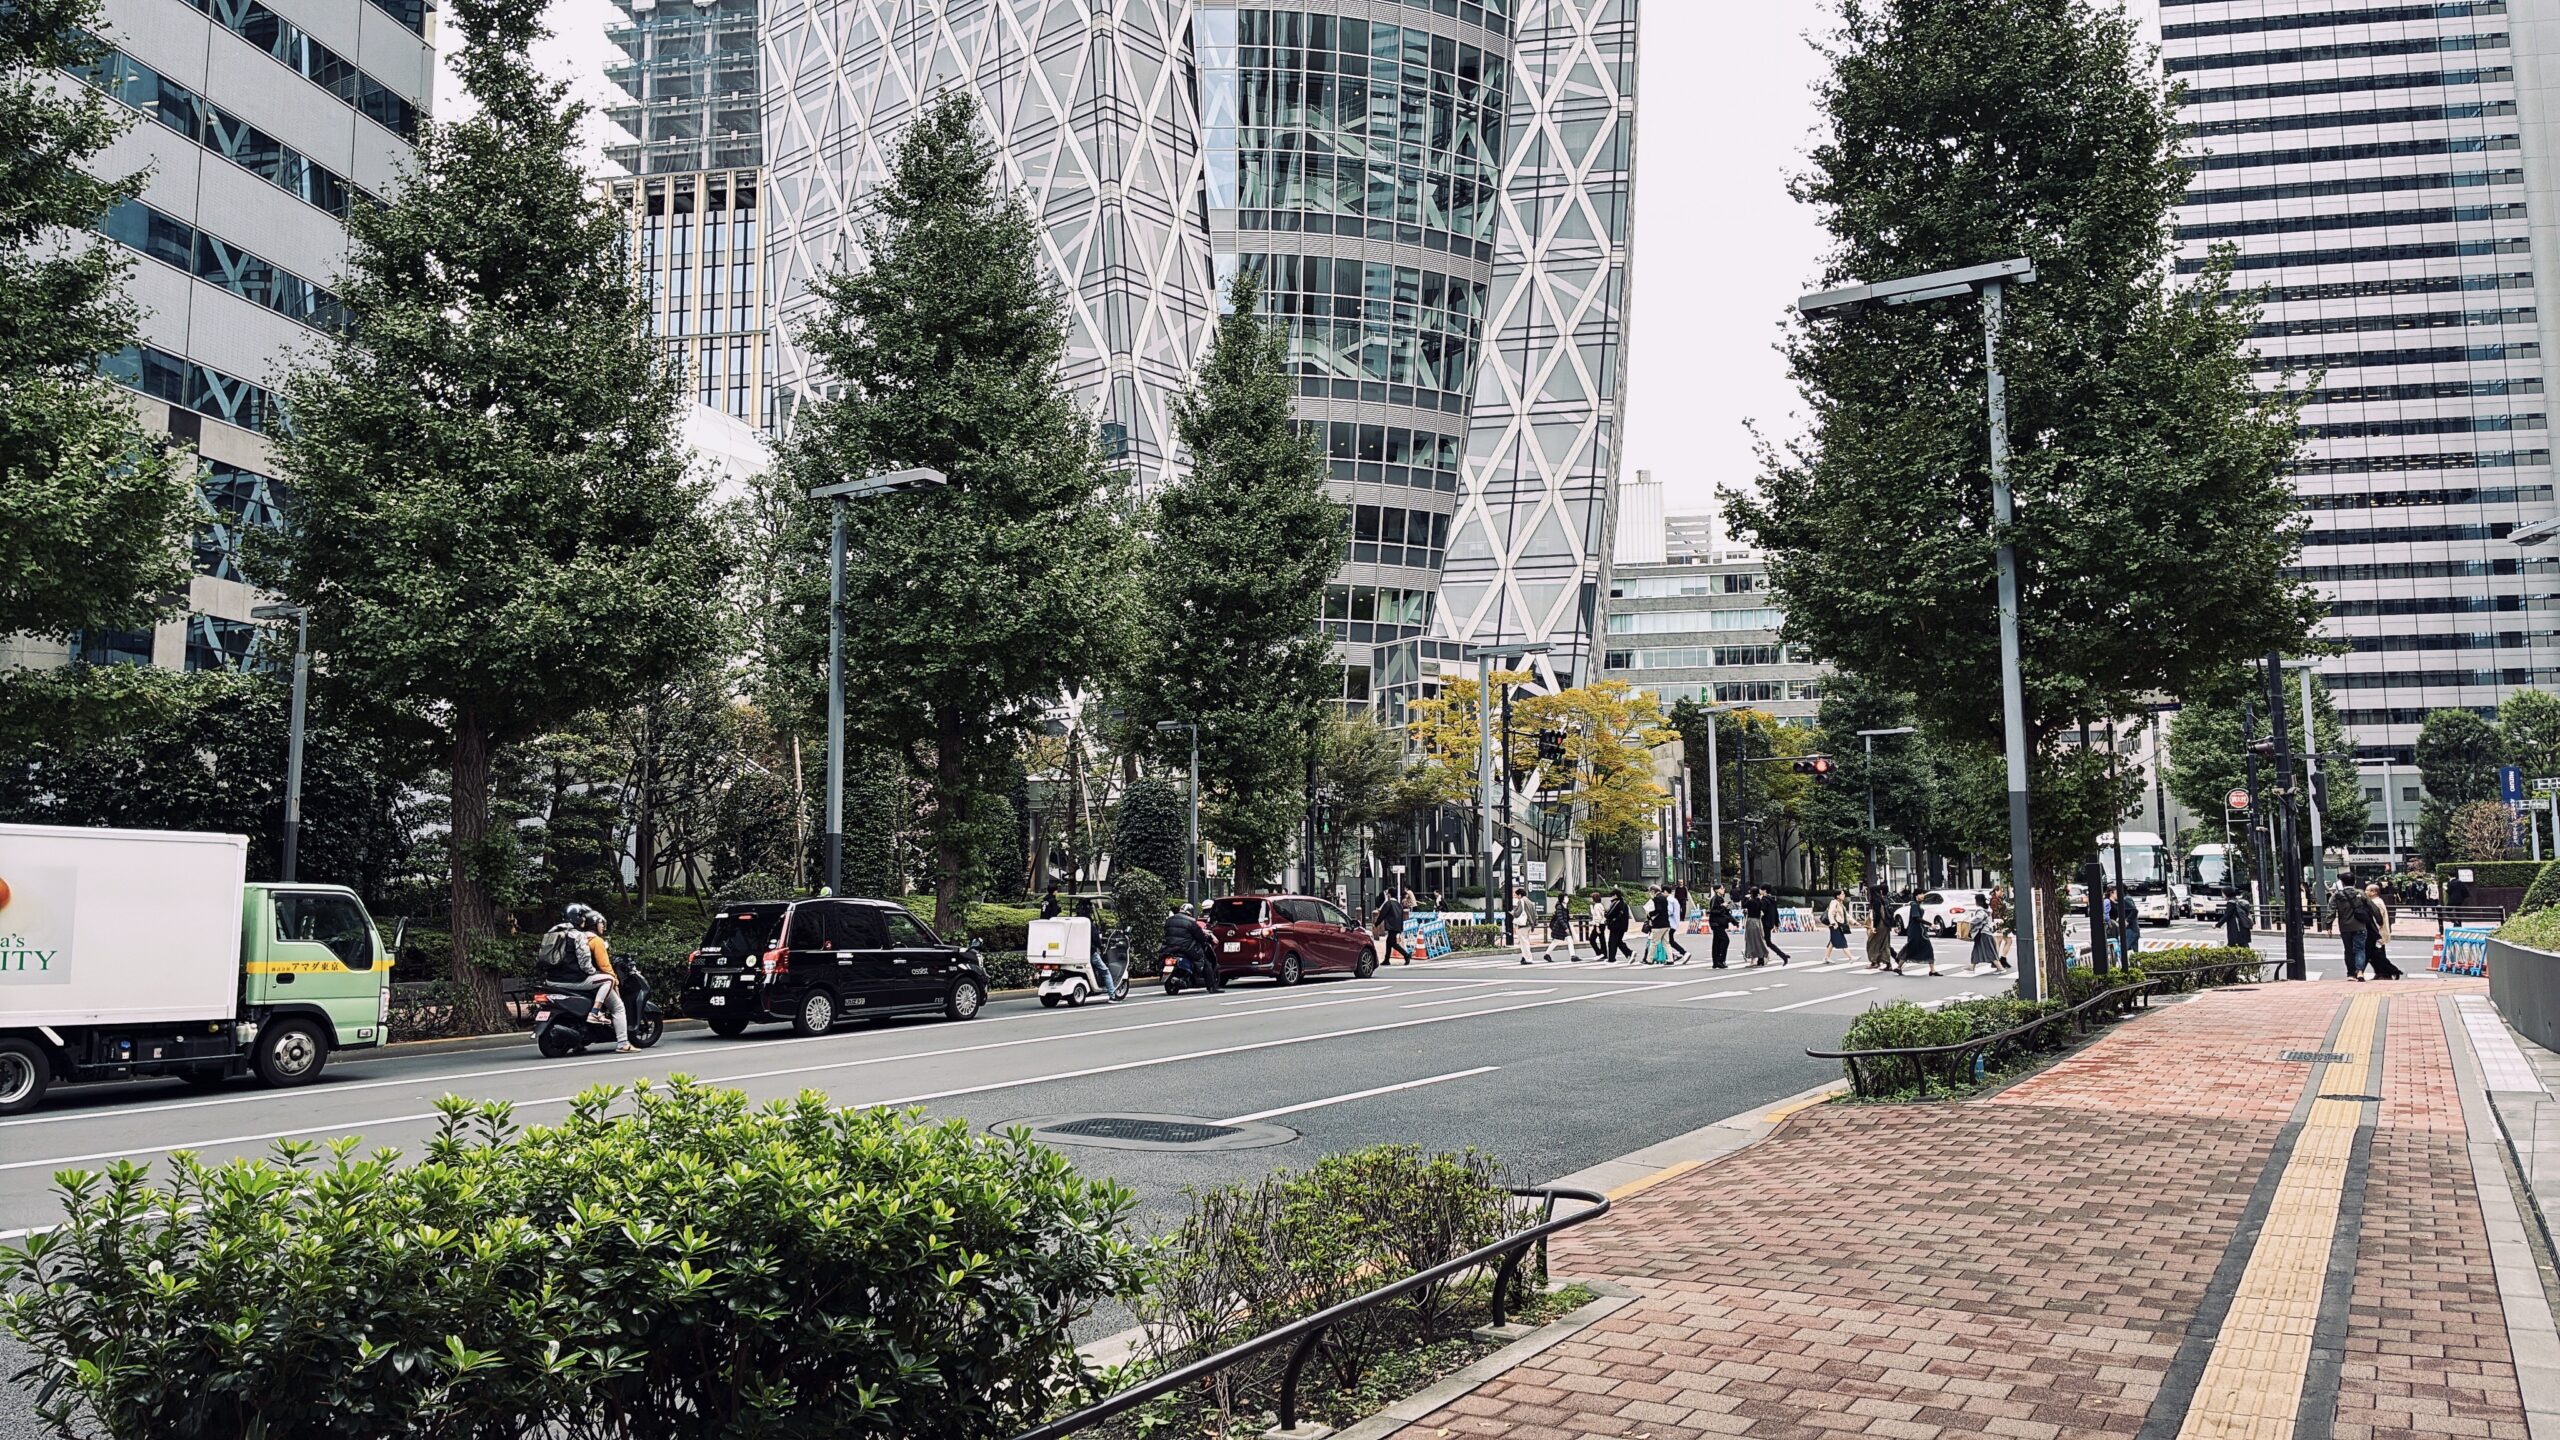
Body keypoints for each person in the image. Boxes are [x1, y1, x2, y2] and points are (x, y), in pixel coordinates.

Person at [1161, 901, 1224, 992]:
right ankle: (1211, 987)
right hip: (1186, 948)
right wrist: (1205, 940)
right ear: (1190, 912)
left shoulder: (1169, 920)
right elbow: (1200, 936)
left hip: (1169, 947)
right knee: (1205, 962)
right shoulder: (1191, 921)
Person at [2333, 872, 2371, 981]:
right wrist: (2379, 920)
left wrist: (2328, 924)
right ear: (2354, 882)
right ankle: (2359, 971)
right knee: (2360, 949)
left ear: (2342, 883)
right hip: (2360, 925)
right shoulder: (2360, 893)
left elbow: (2331, 910)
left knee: (2348, 950)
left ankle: (2350, 974)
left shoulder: (2337, 895)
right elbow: (2372, 907)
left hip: (2345, 927)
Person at [2365, 883, 2404, 979]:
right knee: (2376, 955)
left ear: (2374, 892)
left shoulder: (2376, 903)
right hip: (2378, 933)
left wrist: (2374, 932)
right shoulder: (2376, 901)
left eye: (2367, 890)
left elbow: (2377, 920)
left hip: (2378, 933)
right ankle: (2383, 973)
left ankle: (2392, 971)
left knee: (2377, 955)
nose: (2365, 892)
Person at [1899, 892, 1939, 976]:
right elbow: (1917, 918)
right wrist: (1930, 924)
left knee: (1928, 947)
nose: (1923, 895)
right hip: (1915, 930)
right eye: (1921, 894)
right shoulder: (1914, 905)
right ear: (1916, 896)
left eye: (1923, 893)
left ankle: (1932, 970)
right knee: (1911, 947)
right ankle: (1898, 967)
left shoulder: (1917, 904)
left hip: (1920, 930)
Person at [1374, 889, 1412, 967]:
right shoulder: (1399, 904)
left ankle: (1406, 955)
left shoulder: (1389, 903)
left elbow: (1382, 914)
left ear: (1389, 894)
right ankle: (1386, 959)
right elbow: (1401, 917)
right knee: (1389, 942)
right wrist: (1401, 928)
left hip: (1391, 926)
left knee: (1393, 943)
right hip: (1397, 926)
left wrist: (1376, 924)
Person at [1643, 885, 1676, 965]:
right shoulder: (1664, 898)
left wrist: (1650, 914)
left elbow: (1658, 910)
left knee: (1653, 942)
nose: (1650, 893)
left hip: (1658, 925)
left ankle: (1649, 959)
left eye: (1650, 892)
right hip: (1666, 924)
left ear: (1653, 891)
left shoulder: (1657, 898)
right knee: (1666, 943)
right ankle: (1670, 959)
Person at [1865, 885, 1894, 971]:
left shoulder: (1876, 901)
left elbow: (1877, 915)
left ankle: (1875, 962)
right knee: (1885, 944)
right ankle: (1888, 964)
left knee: (1872, 943)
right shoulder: (1883, 900)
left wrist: (1874, 927)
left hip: (1880, 924)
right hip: (1886, 924)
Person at [1741, 888, 1769, 967]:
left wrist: (1746, 898)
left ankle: (1753, 959)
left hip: (1751, 921)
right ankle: (1761, 957)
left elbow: (1743, 905)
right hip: (1758, 921)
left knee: (1751, 940)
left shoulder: (1750, 901)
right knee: (1758, 939)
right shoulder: (1759, 901)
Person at [1604, 891, 1634, 962]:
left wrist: (1605, 915)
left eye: (1612, 896)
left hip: (1616, 926)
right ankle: (1629, 953)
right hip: (1622, 926)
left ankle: (1612, 958)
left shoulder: (1616, 903)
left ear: (1615, 895)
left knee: (1612, 942)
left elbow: (1609, 914)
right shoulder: (1624, 904)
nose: (1611, 897)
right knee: (1618, 941)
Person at [1708, 887, 1735, 968]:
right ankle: (1720, 960)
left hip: (1719, 923)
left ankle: (1716, 962)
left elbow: (1725, 912)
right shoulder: (1715, 899)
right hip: (1716, 923)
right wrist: (1723, 906)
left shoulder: (1720, 899)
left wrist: (1733, 921)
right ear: (1716, 890)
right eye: (1721, 888)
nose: (1723, 889)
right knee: (1725, 940)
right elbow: (1713, 911)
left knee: (1717, 942)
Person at [1824, 890, 1851, 964]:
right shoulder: (1834, 902)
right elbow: (1830, 913)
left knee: (1832, 942)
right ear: (1838, 896)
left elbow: (1846, 915)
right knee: (1842, 941)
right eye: (1842, 894)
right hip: (1834, 925)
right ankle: (1851, 957)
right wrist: (1833, 923)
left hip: (1838, 924)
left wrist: (1854, 922)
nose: (1844, 895)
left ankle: (1826, 957)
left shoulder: (1840, 904)